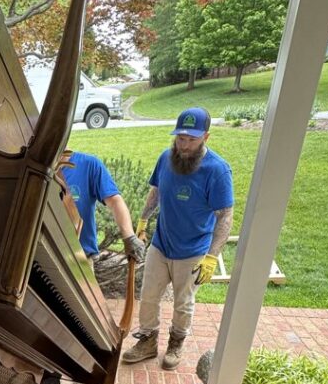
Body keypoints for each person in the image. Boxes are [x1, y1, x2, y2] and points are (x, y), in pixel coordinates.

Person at [122, 107, 233, 370]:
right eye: (180, 138)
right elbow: (156, 192)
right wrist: (143, 221)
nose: (183, 145)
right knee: (149, 296)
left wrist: (211, 257)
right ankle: (147, 341)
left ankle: (176, 343)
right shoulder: (166, 158)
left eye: (191, 140)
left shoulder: (217, 170)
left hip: (193, 249)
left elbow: (225, 216)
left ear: (206, 137)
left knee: (183, 303)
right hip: (161, 244)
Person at [59, 149, 142, 261]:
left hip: (81, 258)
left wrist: (129, 237)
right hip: (40, 253)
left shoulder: (88, 164)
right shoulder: (35, 169)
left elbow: (115, 202)